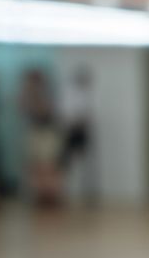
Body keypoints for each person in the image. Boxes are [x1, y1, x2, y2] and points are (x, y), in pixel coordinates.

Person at [18, 67, 63, 207]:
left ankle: (51, 195)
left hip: (48, 131)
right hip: (34, 130)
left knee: (49, 165)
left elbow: (46, 110)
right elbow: (21, 108)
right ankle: (39, 195)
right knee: (35, 165)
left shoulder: (49, 93)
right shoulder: (27, 93)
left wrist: (36, 99)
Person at [56, 65, 97, 206]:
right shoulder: (69, 93)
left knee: (85, 163)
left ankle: (87, 193)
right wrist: (76, 121)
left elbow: (87, 115)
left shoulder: (85, 94)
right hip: (70, 131)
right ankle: (62, 192)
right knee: (65, 163)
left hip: (81, 131)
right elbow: (65, 114)